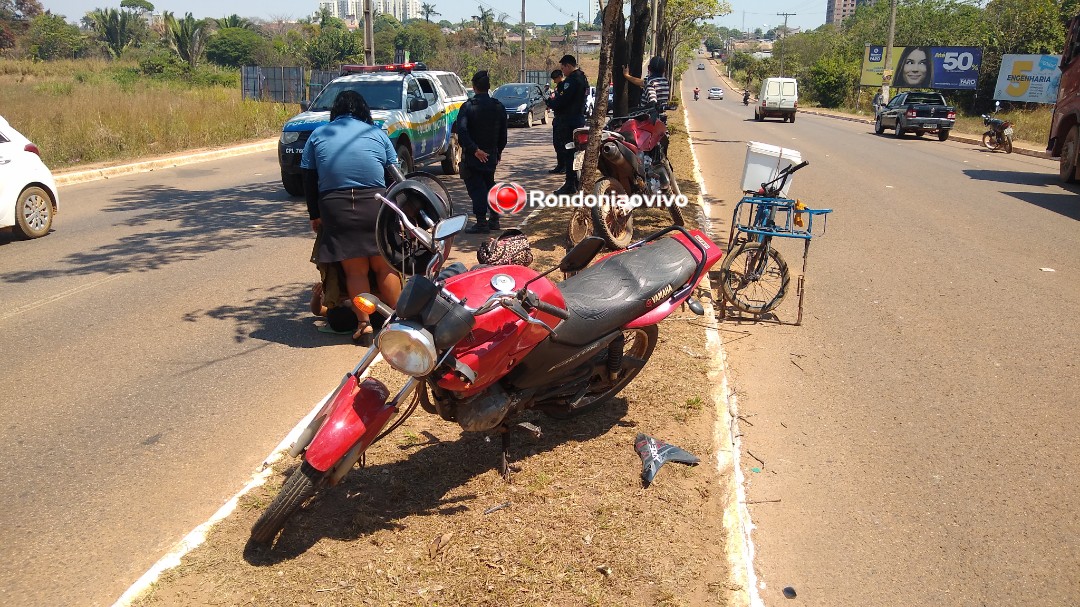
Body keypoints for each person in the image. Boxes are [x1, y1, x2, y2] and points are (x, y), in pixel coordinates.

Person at [301, 90, 402, 345]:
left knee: (354, 272)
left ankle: (364, 324)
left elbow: (308, 179)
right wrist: (397, 213)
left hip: (335, 207)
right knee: (383, 266)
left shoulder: (318, 134)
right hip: (376, 204)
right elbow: (394, 177)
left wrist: (315, 215)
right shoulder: (377, 133)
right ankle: (401, 322)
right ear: (363, 110)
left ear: (336, 111)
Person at [454, 70, 508, 234]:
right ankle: (494, 218)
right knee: (489, 185)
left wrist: (474, 150)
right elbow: (503, 135)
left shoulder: (468, 106)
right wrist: (497, 152)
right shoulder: (498, 106)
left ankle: (481, 222)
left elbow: (462, 131)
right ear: (488, 87)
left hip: (473, 156)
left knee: (477, 188)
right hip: (491, 155)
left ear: (474, 87)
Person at [546, 54, 589, 195]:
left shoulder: (572, 81)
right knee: (575, 153)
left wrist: (550, 103)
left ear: (568, 66)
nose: (562, 71)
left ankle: (571, 183)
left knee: (569, 152)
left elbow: (562, 101)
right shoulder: (582, 77)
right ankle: (575, 182)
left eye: (563, 68)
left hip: (568, 120)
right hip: (577, 119)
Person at [548, 68, 566, 174]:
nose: (554, 81)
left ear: (560, 77)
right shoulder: (559, 87)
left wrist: (552, 102)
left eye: (555, 79)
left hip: (563, 119)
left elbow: (561, 102)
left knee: (562, 144)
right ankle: (560, 165)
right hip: (558, 118)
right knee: (557, 144)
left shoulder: (564, 86)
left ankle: (564, 166)